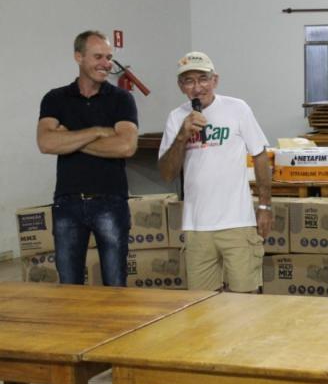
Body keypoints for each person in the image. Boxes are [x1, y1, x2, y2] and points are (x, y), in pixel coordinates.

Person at [159, 51, 272, 293]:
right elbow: (167, 174)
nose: (197, 87)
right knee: (202, 305)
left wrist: (265, 206)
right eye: (189, 81)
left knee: (246, 299)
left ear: (215, 80)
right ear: (181, 86)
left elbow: (260, 156)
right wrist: (182, 135)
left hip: (237, 222)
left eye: (203, 79)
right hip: (197, 226)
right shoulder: (176, 118)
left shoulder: (237, 109)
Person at [37, 30, 139, 286]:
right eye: (98, 57)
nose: (106, 63)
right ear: (78, 57)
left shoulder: (122, 99)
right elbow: (46, 143)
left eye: (109, 57)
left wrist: (68, 139)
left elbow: (126, 146)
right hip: (67, 203)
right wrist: (97, 132)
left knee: (115, 285)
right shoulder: (55, 98)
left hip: (111, 201)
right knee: (69, 286)